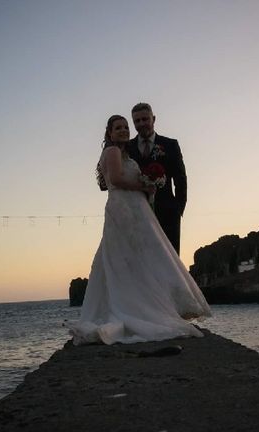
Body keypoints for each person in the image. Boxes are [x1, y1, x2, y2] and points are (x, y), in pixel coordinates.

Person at [66, 115, 211, 345]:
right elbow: (114, 179)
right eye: (118, 128)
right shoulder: (113, 152)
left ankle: (144, 304)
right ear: (109, 133)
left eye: (125, 127)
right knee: (128, 257)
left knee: (134, 258)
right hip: (123, 208)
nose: (124, 131)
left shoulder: (124, 153)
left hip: (132, 208)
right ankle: (136, 309)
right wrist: (144, 185)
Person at [127, 103, 187, 254]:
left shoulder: (170, 145)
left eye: (145, 119)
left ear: (153, 119)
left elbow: (180, 179)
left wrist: (178, 209)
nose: (141, 124)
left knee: (170, 261)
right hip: (137, 214)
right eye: (137, 121)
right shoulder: (127, 148)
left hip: (168, 214)